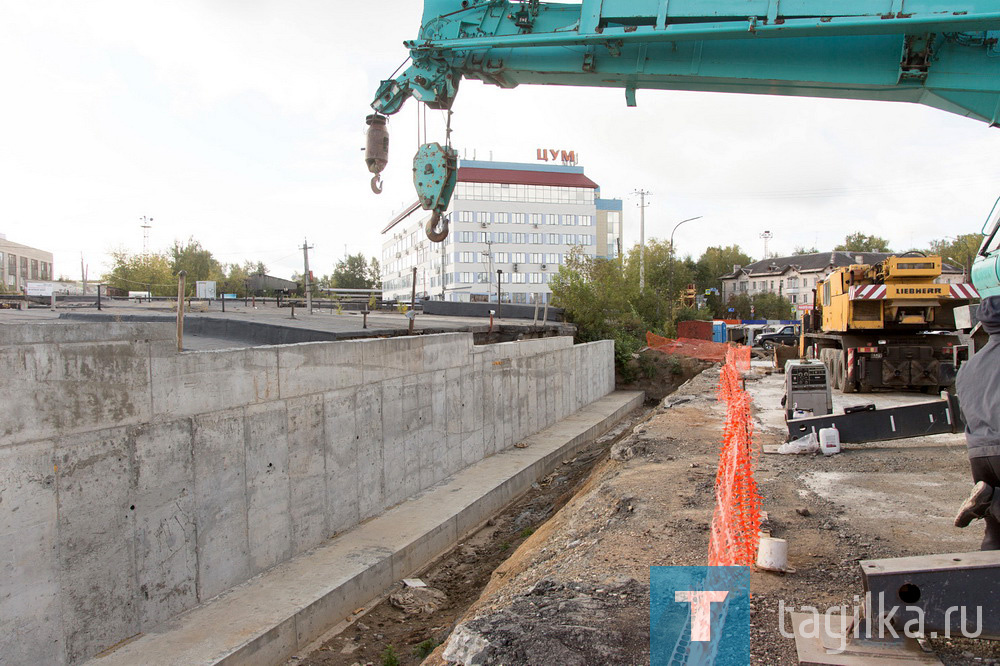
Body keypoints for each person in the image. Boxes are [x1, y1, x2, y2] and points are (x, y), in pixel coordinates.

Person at [954, 295, 1000, 550]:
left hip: (979, 457)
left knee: (994, 534)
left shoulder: (968, 367)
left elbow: (965, 416)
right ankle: (994, 499)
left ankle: (988, 497)